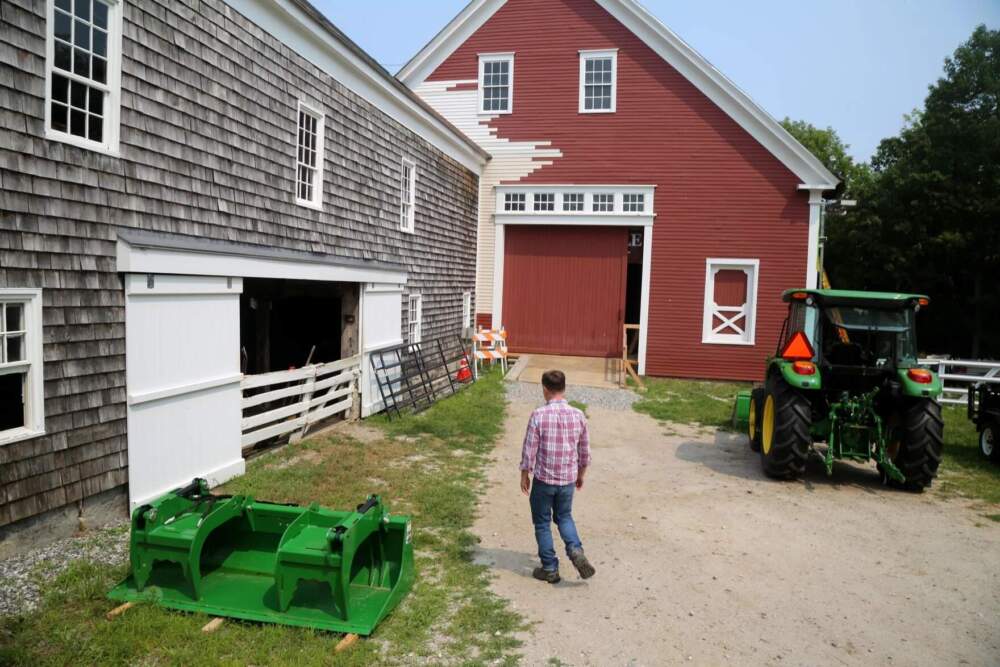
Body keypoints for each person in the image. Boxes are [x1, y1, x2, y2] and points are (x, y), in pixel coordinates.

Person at [519, 370, 596, 584]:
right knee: (564, 517)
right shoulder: (578, 415)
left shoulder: (538, 415)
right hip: (567, 480)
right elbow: (584, 452)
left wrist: (525, 473)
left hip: (544, 480)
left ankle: (550, 568)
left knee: (542, 522)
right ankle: (575, 549)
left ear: (545, 389)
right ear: (564, 388)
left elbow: (529, 449)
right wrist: (580, 475)